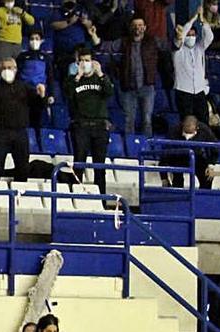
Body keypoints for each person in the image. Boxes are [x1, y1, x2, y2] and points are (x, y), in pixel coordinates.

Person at [90, 17, 164, 136]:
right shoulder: (124, 42)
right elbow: (105, 47)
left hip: (147, 86)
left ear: (145, 28)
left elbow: (170, 46)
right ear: (130, 28)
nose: (137, 28)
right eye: (135, 25)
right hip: (128, 87)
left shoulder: (153, 41)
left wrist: (179, 38)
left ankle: (147, 147)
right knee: (129, 120)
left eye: (140, 25)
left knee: (147, 120)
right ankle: (130, 149)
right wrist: (94, 35)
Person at [0, 57, 45, 181]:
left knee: (23, 168)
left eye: (9, 68)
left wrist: (41, 96)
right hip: (1, 132)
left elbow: (38, 106)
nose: (7, 71)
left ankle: (19, 196)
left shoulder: (24, 87)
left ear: (16, 69)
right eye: (4, 68)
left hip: (20, 132)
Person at [65, 47, 113, 192]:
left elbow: (109, 92)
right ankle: (77, 196)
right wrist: (77, 77)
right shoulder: (73, 80)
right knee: (79, 163)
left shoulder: (101, 78)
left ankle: (101, 200)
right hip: (81, 126)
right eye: (81, 61)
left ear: (93, 62)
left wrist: (101, 74)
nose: (84, 63)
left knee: (100, 166)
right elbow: (68, 93)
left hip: (100, 126)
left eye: (87, 60)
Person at [173, 9, 214, 125]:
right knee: (186, 121)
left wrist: (203, 22)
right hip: (183, 90)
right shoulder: (177, 50)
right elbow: (181, 35)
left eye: (193, 35)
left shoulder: (200, 48)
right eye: (189, 35)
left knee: (204, 120)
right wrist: (193, 19)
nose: (191, 37)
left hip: (199, 90)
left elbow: (209, 37)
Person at [162, 115, 218, 188]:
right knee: (177, 179)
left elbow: (215, 147)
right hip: (178, 156)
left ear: (196, 127)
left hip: (196, 156)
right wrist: (164, 177)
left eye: (190, 132)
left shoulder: (204, 130)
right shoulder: (174, 131)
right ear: (182, 126)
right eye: (186, 130)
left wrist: (211, 165)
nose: (188, 135)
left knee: (207, 177)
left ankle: (203, 197)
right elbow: (165, 152)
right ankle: (178, 195)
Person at [16, 29, 52, 127]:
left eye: (37, 39)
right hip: (24, 93)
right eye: (32, 39)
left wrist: (50, 94)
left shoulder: (46, 58)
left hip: (40, 94)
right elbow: (17, 75)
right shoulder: (22, 57)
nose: (34, 41)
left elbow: (50, 77)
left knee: (38, 121)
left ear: (41, 41)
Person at [0, 0, 34, 65]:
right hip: (4, 43)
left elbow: (31, 21)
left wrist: (23, 13)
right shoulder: (0, 10)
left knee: (16, 67)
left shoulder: (18, 10)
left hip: (17, 44)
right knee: (2, 66)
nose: (9, 2)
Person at [50, 0, 92, 77]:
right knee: (66, 76)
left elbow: (90, 25)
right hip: (64, 52)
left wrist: (85, 22)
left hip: (80, 51)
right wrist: (69, 22)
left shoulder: (81, 10)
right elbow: (53, 25)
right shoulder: (58, 12)